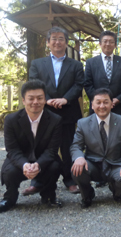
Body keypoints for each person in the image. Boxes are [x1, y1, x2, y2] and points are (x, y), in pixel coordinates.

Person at [28, 26, 83, 195]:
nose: (57, 42)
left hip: (68, 110)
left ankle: (70, 180)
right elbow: (34, 83)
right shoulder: (37, 64)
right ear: (48, 42)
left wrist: (65, 99)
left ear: (66, 43)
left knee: (68, 148)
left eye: (61, 39)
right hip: (45, 112)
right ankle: (38, 180)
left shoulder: (76, 64)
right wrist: (48, 99)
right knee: (41, 147)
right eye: (54, 39)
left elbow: (79, 84)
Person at [0, 80, 63, 212]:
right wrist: (25, 165)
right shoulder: (11, 120)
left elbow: (52, 150)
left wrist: (38, 165)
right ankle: (9, 198)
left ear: (45, 99)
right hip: (21, 159)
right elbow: (12, 149)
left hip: (43, 159)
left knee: (55, 165)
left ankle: (48, 195)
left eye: (40, 98)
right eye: (31, 98)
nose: (36, 102)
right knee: (9, 170)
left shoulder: (55, 120)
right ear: (23, 100)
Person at [70, 88, 121, 208]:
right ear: (92, 105)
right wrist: (79, 157)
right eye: (98, 102)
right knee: (76, 169)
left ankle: (116, 192)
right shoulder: (83, 123)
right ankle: (87, 195)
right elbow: (76, 145)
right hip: (93, 164)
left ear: (112, 104)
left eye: (106, 102)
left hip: (115, 164)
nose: (102, 106)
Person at [84, 30, 121, 116]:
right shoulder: (91, 62)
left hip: (118, 108)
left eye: (111, 42)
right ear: (100, 44)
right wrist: (99, 100)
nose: (108, 44)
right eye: (105, 41)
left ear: (115, 45)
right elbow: (87, 84)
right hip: (98, 108)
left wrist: (119, 99)